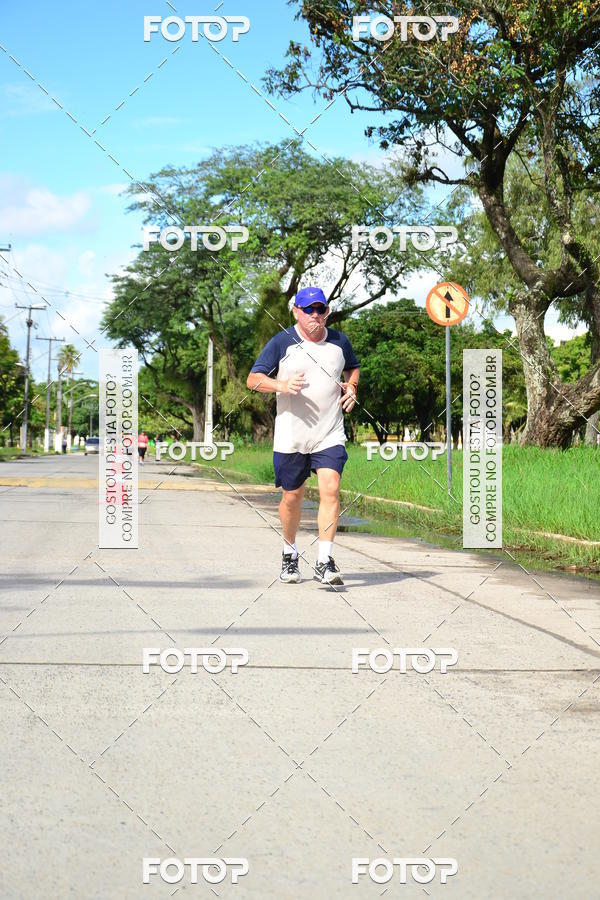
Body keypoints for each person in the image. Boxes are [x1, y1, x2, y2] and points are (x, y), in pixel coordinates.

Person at [246, 286, 359, 585]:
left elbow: (353, 368)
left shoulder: (339, 341)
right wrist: (281, 385)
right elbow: (253, 380)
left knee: (331, 488)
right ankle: (289, 552)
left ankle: (324, 560)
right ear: (296, 311)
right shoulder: (282, 342)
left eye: (320, 309)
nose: (314, 315)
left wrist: (352, 388)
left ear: (327, 312)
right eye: (308, 309)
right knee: (292, 498)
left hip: (329, 432)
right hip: (291, 436)